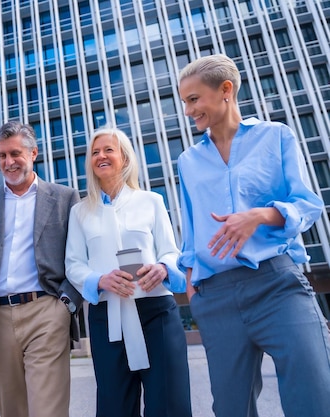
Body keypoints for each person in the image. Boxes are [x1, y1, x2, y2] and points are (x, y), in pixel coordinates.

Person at [177, 54, 330, 417]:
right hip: (215, 297)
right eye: (184, 101)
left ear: (226, 90)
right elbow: (191, 230)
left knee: (314, 394)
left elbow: (307, 205)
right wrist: (191, 285)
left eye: (194, 99)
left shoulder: (275, 136)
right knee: (231, 408)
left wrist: (259, 216)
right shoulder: (187, 161)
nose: (187, 110)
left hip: (277, 285)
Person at [64, 127, 192, 417]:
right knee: (114, 406)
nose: (101, 156)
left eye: (108, 150)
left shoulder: (151, 201)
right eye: (95, 152)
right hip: (107, 316)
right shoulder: (80, 211)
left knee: (169, 402)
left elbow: (171, 252)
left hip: (156, 310)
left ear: (124, 157)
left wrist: (162, 268)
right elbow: (74, 264)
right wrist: (100, 280)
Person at [0, 120, 82, 417]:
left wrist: (65, 305)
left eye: (15, 154)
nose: (8, 162)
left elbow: (79, 257)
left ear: (33, 154)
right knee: (12, 409)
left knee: (47, 409)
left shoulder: (64, 198)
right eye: (2, 156)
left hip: (46, 311)